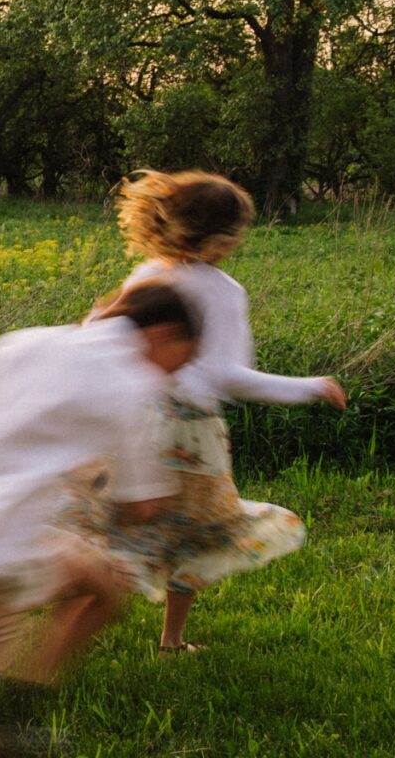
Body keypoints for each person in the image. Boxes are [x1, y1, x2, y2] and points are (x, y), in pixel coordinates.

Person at [0, 281, 202, 758]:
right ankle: (1, 708)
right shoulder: (131, 386)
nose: (174, 374)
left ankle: (22, 690)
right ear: (164, 334)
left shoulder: (36, 340)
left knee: (106, 585)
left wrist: (14, 435)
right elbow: (139, 506)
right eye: (182, 359)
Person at [77, 169, 347, 655]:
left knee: (120, 525)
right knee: (198, 534)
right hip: (189, 433)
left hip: (133, 419)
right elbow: (228, 376)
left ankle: (75, 616)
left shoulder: (148, 273)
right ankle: (171, 639)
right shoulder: (224, 291)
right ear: (226, 236)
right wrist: (310, 386)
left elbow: (101, 333)